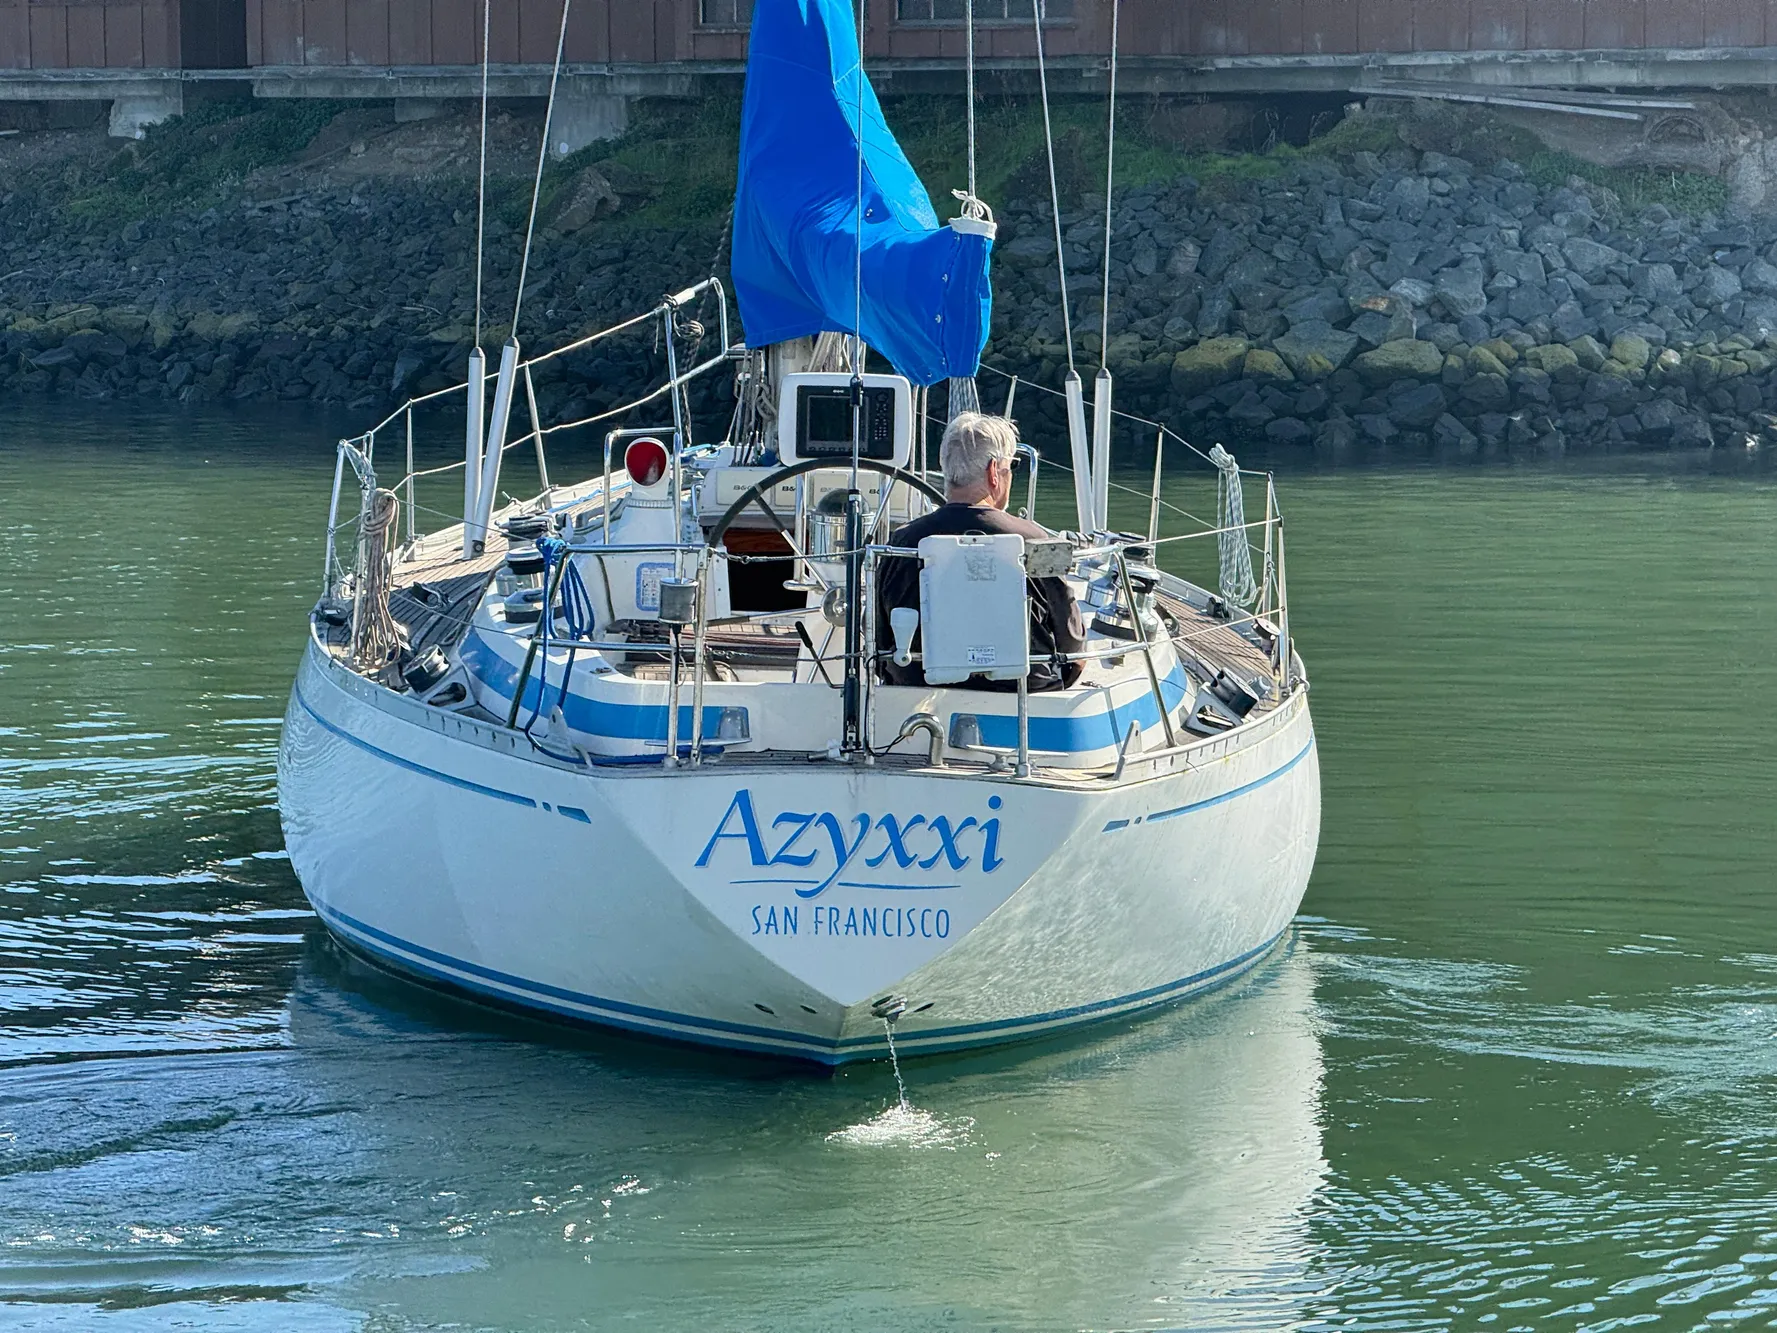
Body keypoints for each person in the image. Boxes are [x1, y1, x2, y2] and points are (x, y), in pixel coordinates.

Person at [875, 412, 1085, 691]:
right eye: (1010, 468)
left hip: (917, 694)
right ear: (993, 472)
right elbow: (1072, 647)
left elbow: (879, 644)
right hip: (1022, 693)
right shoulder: (1034, 539)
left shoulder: (901, 543)